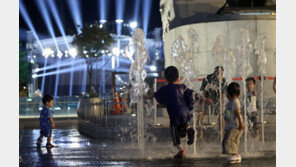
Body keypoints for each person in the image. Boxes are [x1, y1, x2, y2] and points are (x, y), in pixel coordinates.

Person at [146, 66, 212, 159]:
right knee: (182, 126)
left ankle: (181, 150)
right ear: (177, 77)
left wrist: (144, 97)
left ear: (166, 78)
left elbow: (155, 95)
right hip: (185, 111)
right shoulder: (183, 86)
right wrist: (204, 98)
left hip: (174, 113)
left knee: (174, 133)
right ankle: (189, 129)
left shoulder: (166, 88)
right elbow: (193, 94)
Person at [199, 66, 227, 138]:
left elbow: (223, 93)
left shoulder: (223, 80)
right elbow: (203, 91)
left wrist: (221, 104)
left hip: (217, 98)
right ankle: (200, 133)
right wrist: (203, 103)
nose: (221, 76)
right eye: (219, 74)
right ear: (215, 73)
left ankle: (221, 132)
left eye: (222, 74)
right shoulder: (207, 78)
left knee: (221, 114)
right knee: (201, 112)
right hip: (207, 97)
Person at [222, 82, 245, 163]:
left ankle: (235, 155)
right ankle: (235, 155)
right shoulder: (230, 102)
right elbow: (228, 115)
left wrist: (241, 123)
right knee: (228, 140)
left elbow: (238, 113)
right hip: (231, 126)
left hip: (235, 126)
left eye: (227, 93)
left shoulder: (235, 101)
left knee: (230, 140)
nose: (226, 95)